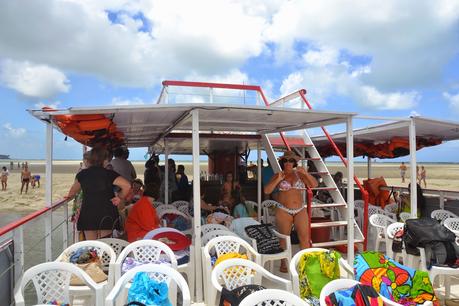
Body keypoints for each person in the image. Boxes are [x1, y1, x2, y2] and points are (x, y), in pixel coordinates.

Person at [264, 150, 318, 272]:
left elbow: (314, 185)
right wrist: (277, 180)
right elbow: (267, 191)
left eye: (291, 160)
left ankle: (306, 264)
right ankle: (284, 263)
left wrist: (306, 174)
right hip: (283, 210)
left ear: (294, 162)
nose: (288, 162)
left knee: (304, 238)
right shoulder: (278, 175)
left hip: (299, 209)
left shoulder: (300, 174)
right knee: (284, 238)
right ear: (282, 162)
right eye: (285, 160)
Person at [65, 148, 131, 240]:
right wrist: (120, 197)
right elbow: (127, 186)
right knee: (105, 244)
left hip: (88, 213)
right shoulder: (109, 174)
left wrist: (68, 197)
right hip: (107, 212)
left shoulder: (82, 174)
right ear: (103, 160)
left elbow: (72, 192)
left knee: (92, 246)